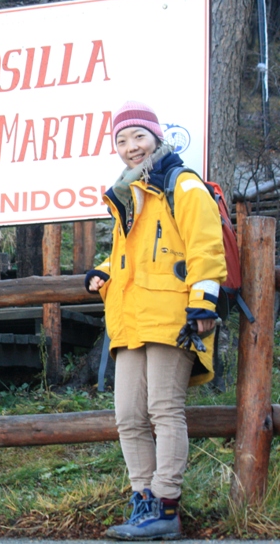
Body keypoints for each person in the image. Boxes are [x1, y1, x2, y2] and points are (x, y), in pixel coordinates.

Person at [85, 101, 226, 540]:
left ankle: (166, 505)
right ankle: (142, 502)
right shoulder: (128, 193)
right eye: (122, 140)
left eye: (139, 137)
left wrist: (204, 302)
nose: (131, 147)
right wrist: (103, 272)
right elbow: (129, 254)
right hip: (131, 320)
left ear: (156, 138)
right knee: (128, 415)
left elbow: (206, 246)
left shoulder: (181, 183)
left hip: (172, 315)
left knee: (164, 411)